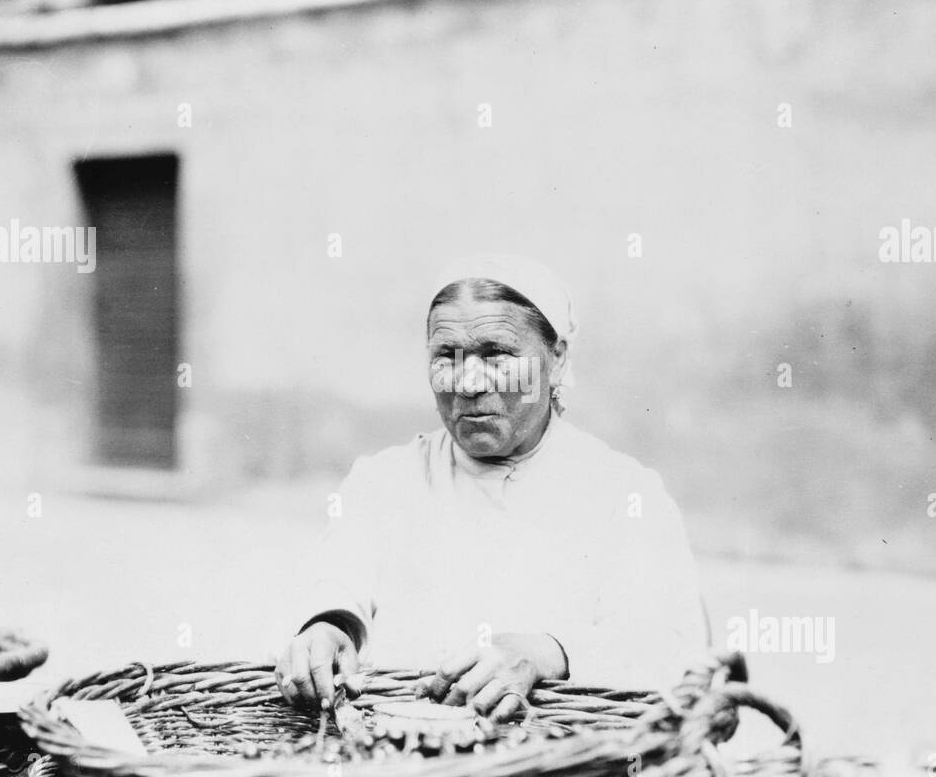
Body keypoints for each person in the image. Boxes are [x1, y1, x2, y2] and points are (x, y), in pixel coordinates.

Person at [275, 253, 710, 720]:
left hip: (565, 771)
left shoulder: (625, 493)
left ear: (557, 358)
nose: (467, 382)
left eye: (496, 354)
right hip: (398, 769)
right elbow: (333, 578)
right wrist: (327, 628)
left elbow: (671, 647)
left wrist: (548, 653)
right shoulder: (384, 482)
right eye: (447, 356)